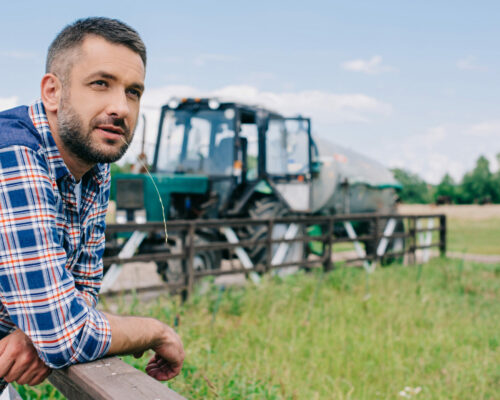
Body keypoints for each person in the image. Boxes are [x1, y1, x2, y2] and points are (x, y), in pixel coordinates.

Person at [0, 17, 184, 393]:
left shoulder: (94, 168)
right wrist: (156, 330)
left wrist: (37, 328)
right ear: (52, 92)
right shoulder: (14, 155)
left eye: (133, 92)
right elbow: (62, 333)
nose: (121, 107)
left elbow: (82, 292)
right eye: (101, 84)